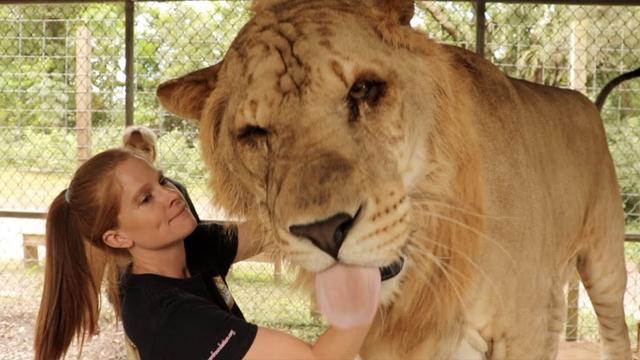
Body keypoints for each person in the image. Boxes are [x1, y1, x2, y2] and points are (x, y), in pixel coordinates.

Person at [34, 148, 380, 360]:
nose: (170, 194)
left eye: (162, 181)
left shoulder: (189, 246)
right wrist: (371, 266)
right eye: (145, 198)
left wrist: (315, 178)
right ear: (118, 237)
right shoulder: (168, 316)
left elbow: (260, 231)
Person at [121, 124, 200, 222]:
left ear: (154, 154)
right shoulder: (115, 191)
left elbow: (193, 229)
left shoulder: (176, 188)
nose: (139, 153)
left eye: (145, 149)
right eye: (131, 148)